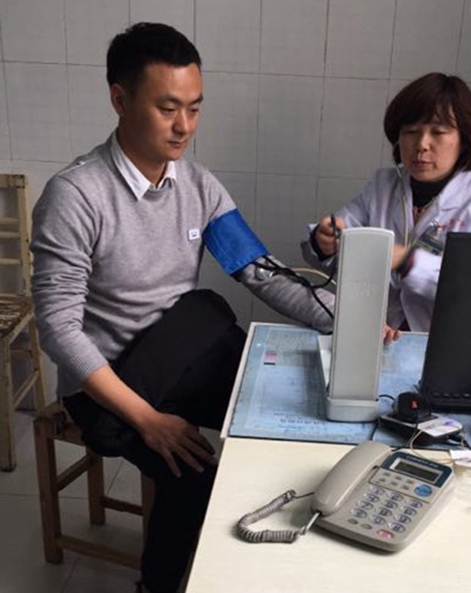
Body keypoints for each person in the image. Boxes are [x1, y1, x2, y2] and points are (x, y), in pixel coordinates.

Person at [30, 23, 333, 593]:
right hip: (110, 380)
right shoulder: (75, 196)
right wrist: (147, 419)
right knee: (194, 478)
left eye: (194, 109)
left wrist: (349, 320)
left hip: (181, 352)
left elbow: (260, 271)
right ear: (120, 99)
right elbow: (59, 329)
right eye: (167, 108)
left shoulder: (198, 185)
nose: (184, 126)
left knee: (280, 417)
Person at [301, 72, 471, 333]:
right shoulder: (382, 186)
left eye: (438, 132)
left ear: (465, 140)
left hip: (450, 341)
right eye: (411, 132)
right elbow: (337, 250)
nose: (422, 145)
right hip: (378, 334)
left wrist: (409, 262)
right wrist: (324, 243)